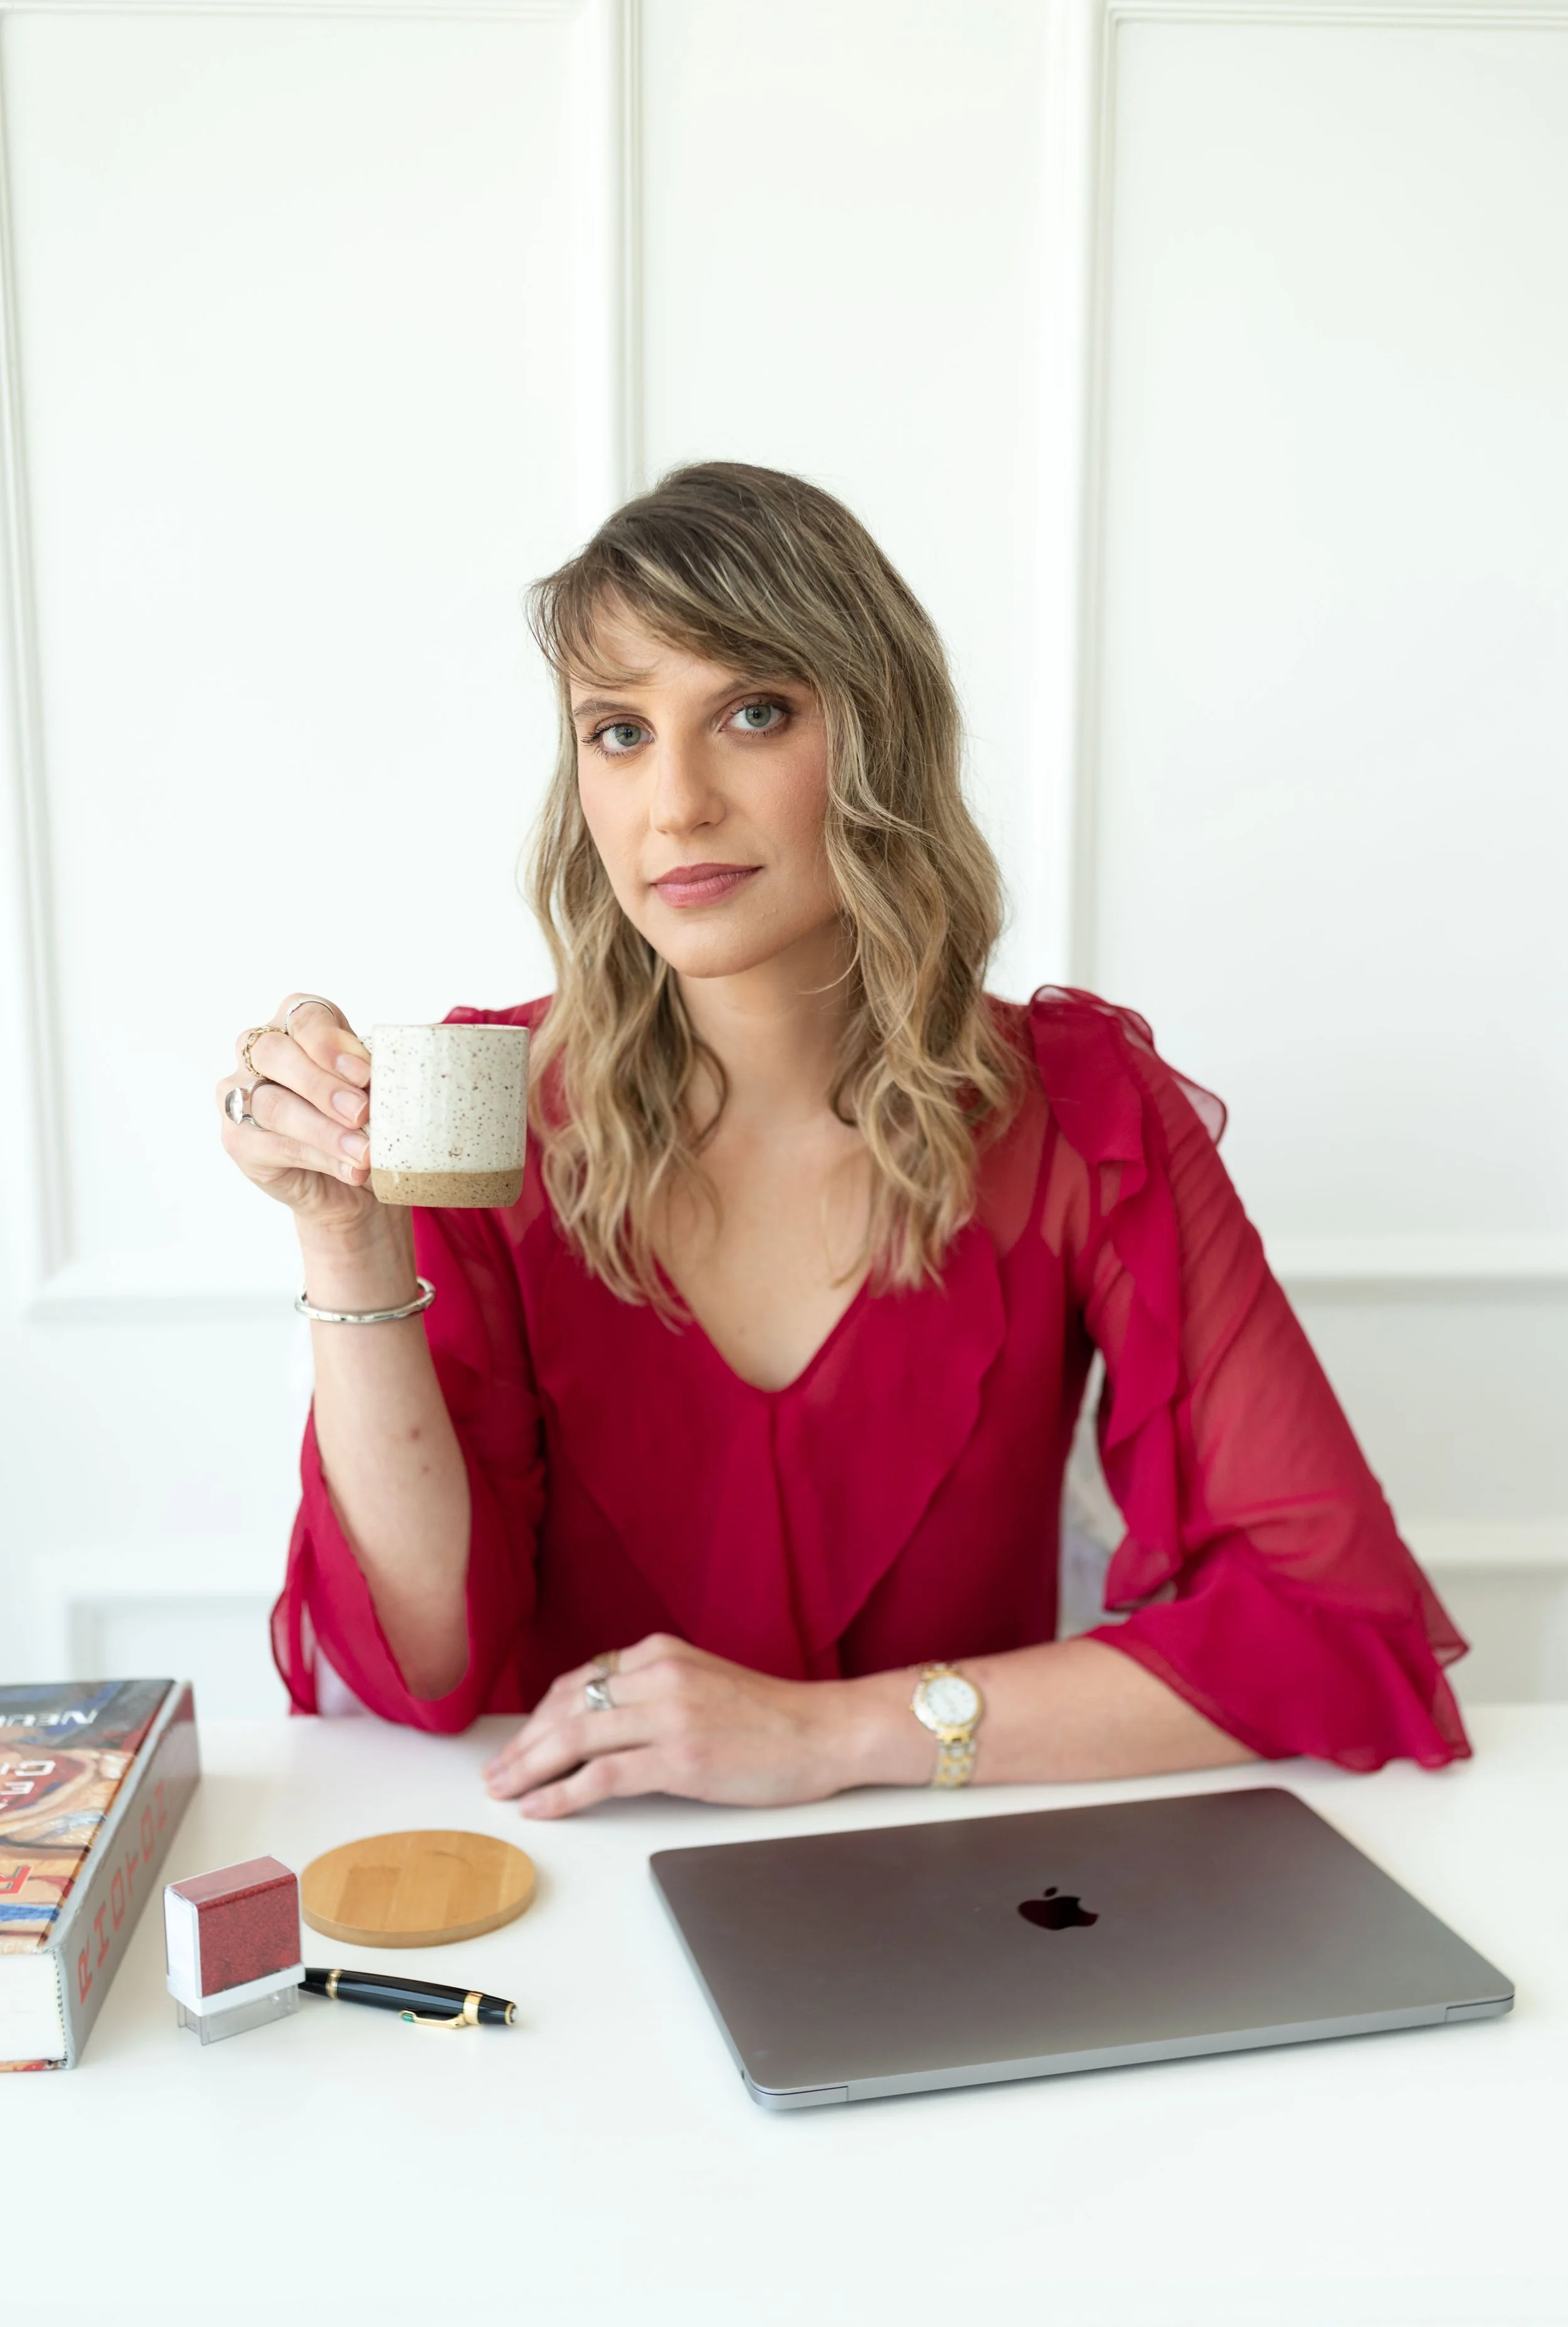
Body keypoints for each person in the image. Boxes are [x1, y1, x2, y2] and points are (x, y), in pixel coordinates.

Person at [218, 462, 1468, 1820]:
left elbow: (1328, 1621)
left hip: (947, 1874)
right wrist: (342, 1233)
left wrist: (825, 1735)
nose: (675, 803)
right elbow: (422, 1669)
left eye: (752, 713)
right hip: (570, 1869)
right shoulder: (481, 1108)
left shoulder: (1085, 1114)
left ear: (879, 738)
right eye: (619, 731)